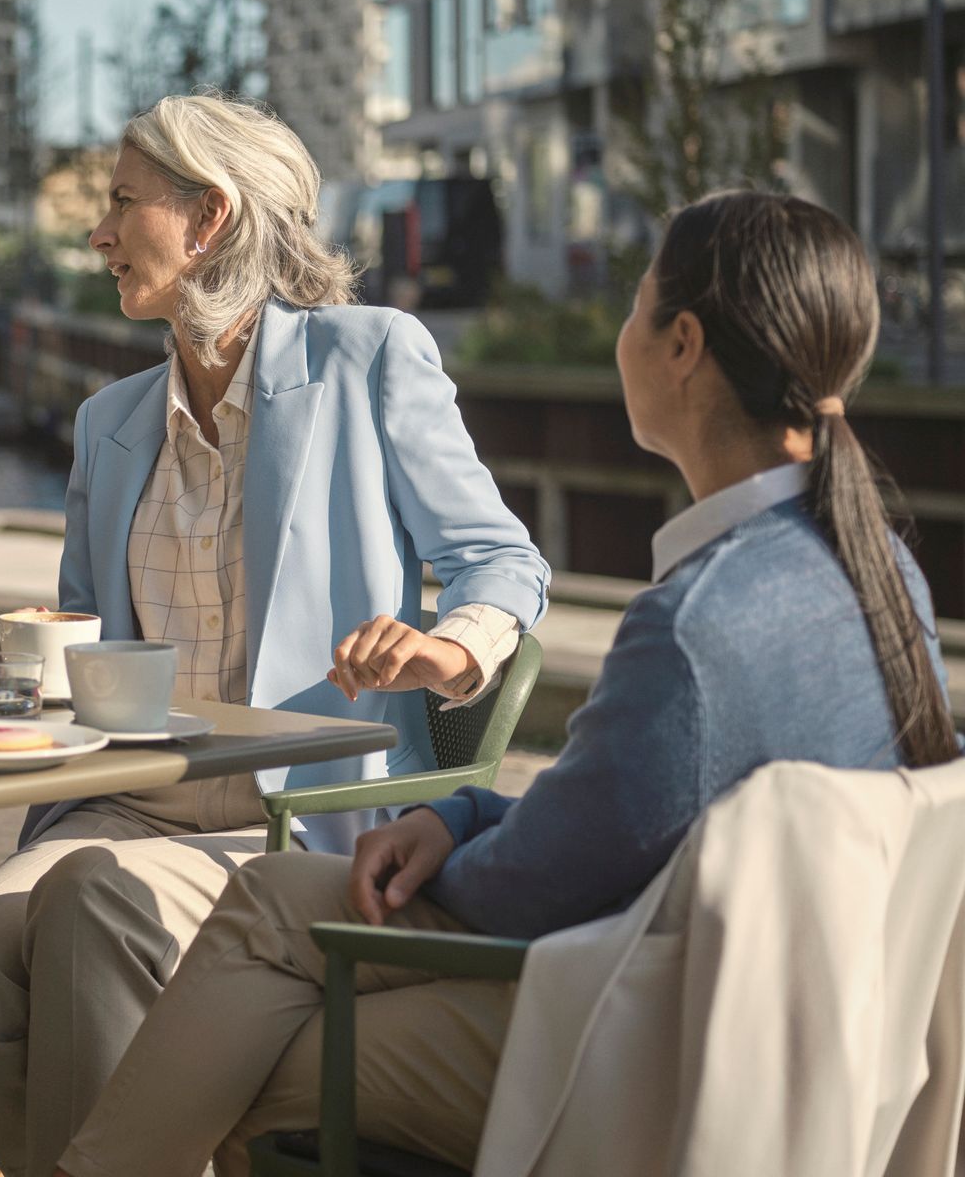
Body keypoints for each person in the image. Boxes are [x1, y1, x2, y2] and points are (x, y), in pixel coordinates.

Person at [53, 190, 955, 1177]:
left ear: (682, 345)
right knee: (251, 961)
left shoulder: (697, 626)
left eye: (635, 303)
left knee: (241, 1022)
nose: (624, 333)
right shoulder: (881, 574)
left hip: (635, 1043)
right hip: (792, 1032)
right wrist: (464, 813)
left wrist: (450, 853)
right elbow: (624, 816)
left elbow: (533, 889)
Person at [0, 93, 550, 1177]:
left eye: (121, 204)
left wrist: (454, 647)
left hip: (294, 820)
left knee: (87, 905)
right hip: (117, 801)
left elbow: (504, 559)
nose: (98, 234)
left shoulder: (370, 360)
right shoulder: (107, 425)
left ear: (208, 217)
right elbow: (75, 640)